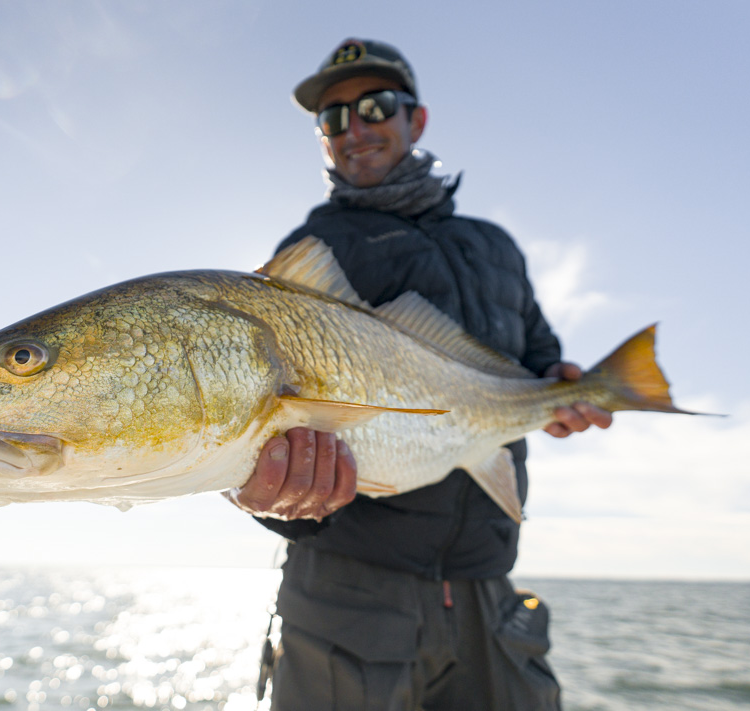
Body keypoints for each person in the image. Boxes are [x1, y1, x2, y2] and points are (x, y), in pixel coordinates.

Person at [230, 38, 612, 710]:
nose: (355, 130)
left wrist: (562, 386)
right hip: (346, 595)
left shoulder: (495, 246)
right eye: (333, 118)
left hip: (488, 591)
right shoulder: (313, 254)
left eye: (374, 106)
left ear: (417, 119)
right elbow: (276, 419)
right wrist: (282, 503)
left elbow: (539, 357)